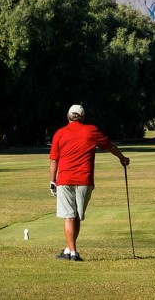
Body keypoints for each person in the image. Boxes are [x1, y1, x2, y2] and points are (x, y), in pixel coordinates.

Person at [49, 104, 129, 262]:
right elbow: (110, 146)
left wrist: (52, 180)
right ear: (83, 117)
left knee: (69, 217)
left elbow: (54, 160)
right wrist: (122, 158)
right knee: (76, 216)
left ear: (68, 116)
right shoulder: (92, 130)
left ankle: (72, 252)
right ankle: (70, 251)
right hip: (85, 181)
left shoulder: (60, 133)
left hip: (64, 180)